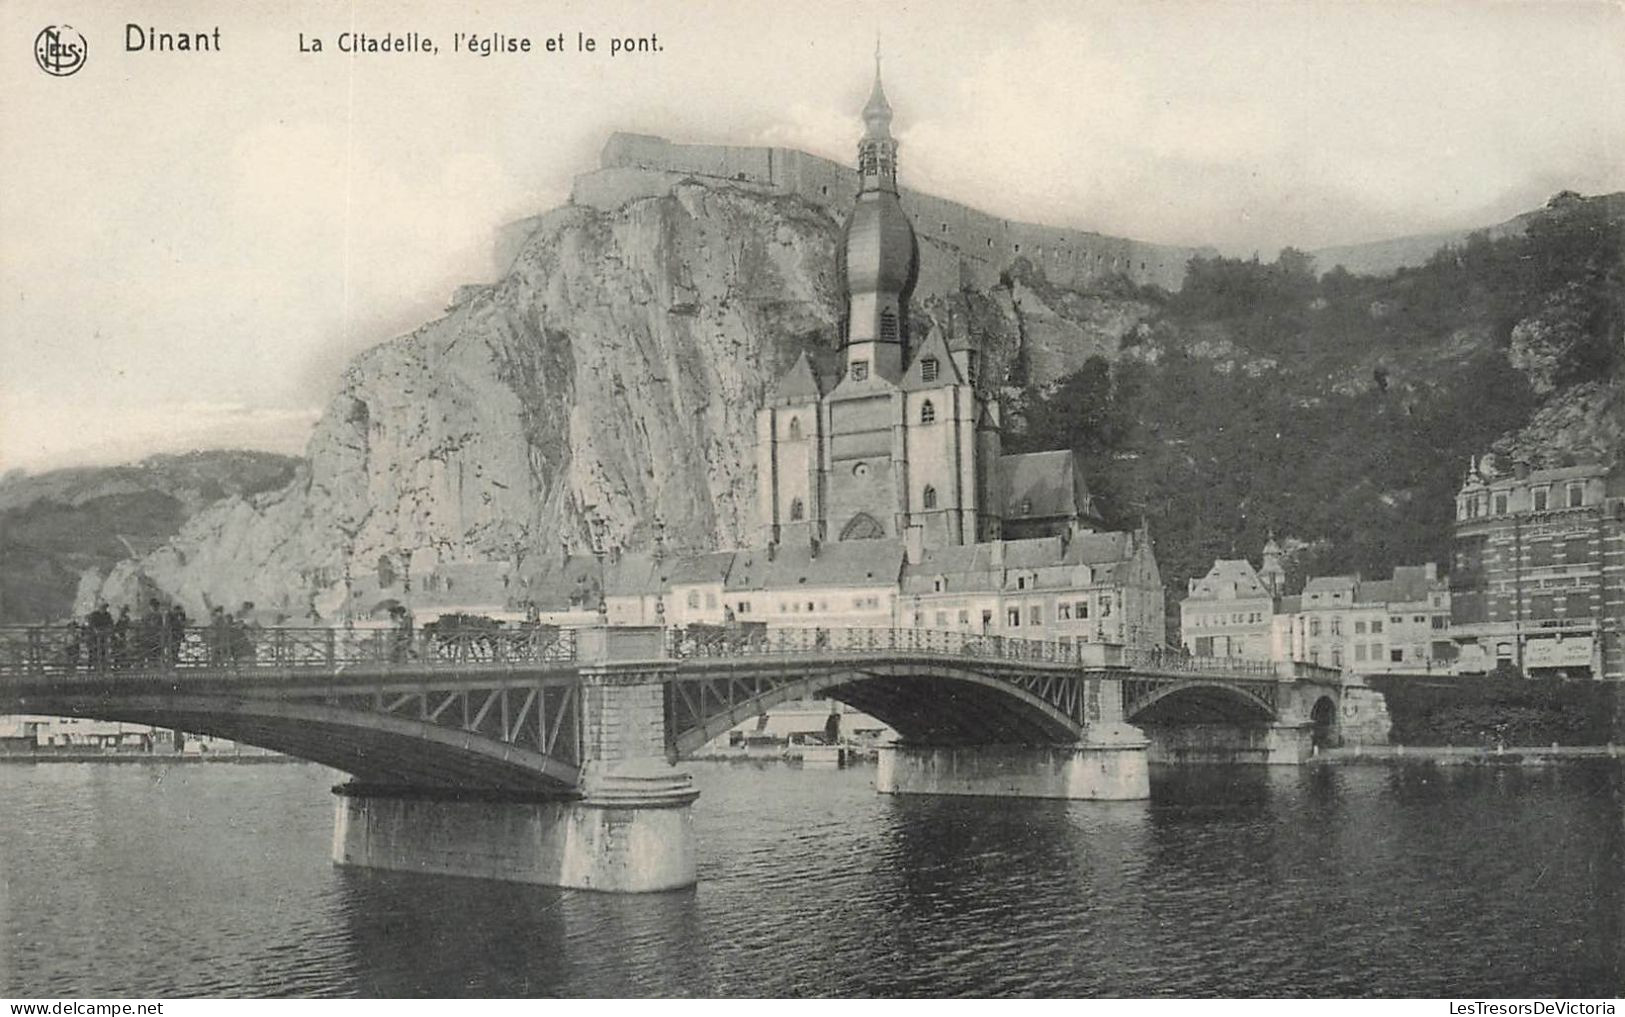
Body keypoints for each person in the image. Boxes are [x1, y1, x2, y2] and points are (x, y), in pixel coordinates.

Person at [86, 603, 113, 671]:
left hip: (104, 636)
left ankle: (104, 666)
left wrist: (108, 629)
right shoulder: (94, 615)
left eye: (105, 608)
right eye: (103, 608)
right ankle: (93, 666)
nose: (104, 609)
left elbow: (110, 623)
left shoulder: (107, 615)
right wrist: (96, 631)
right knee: (93, 651)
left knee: (104, 651)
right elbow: (92, 625)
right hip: (94, 637)